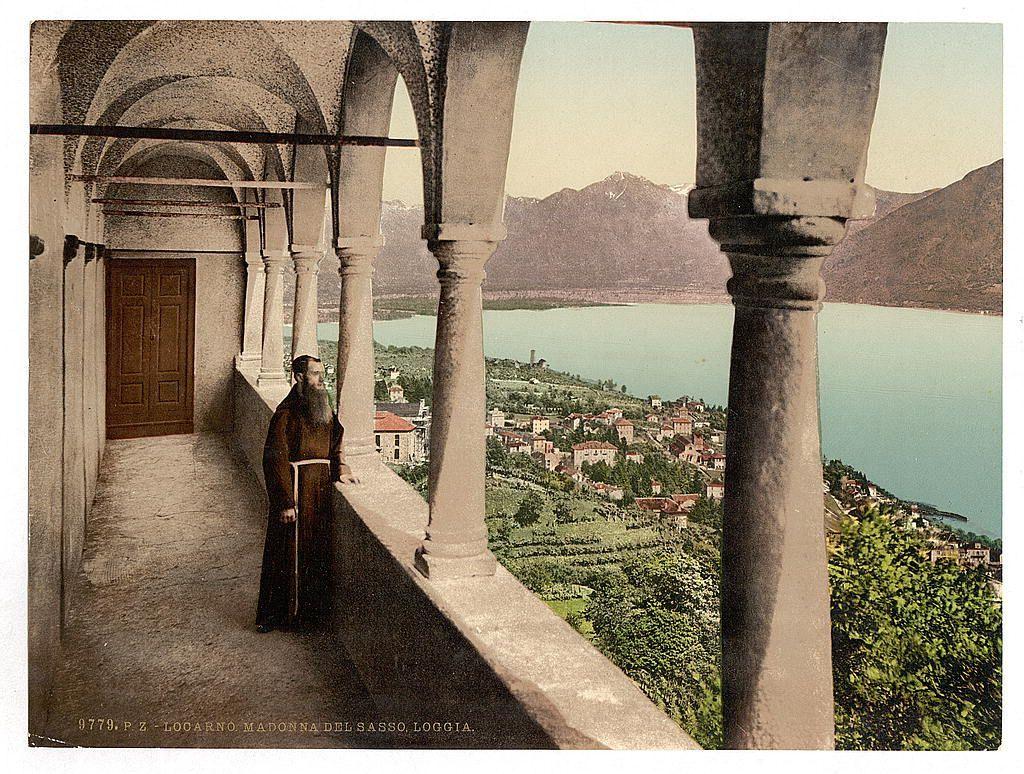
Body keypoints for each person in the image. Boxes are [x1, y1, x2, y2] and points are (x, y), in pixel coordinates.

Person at [255, 355, 359, 633]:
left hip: (320, 489)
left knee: (315, 550)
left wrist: (342, 469)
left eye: (322, 374)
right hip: (296, 489)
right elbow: (274, 457)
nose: (321, 380)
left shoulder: (323, 407)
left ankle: (310, 617)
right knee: (285, 552)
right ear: (299, 377)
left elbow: (336, 439)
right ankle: (277, 616)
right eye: (315, 374)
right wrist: (285, 501)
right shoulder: (286, 412)